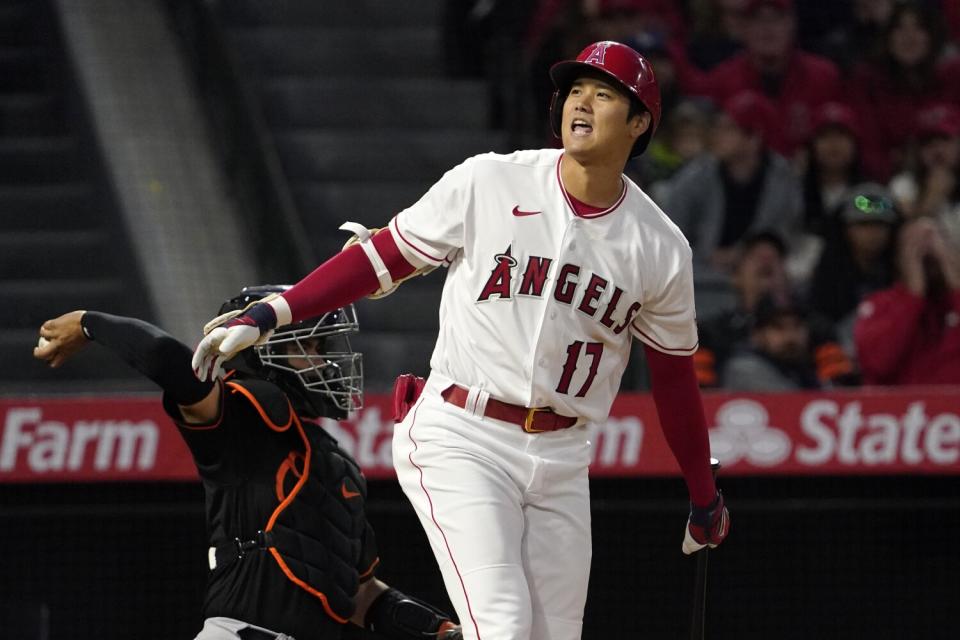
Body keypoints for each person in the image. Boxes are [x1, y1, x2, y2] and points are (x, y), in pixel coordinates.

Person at [192, 41, 730, 640]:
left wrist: (703, 497)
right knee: (501, 625)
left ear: (639, 123)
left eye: (604, 94)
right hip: (463, 431)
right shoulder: (490, 180)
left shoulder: (660, 246)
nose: (582, 102)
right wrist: (271, 313)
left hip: (564, 455)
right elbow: (381, 258)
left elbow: (675, 378)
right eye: (575, 89)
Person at [33, 286, 462, 640]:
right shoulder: (242, 412)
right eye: (307, 346)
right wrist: (92, 323)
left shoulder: (333, 461)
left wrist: (438, 629)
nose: (323, 361)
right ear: (259, 350)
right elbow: (175, 366)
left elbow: (359, 592)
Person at [663, 89, 802, 276]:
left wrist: (745, 255)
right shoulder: (696, 176)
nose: (717, 136)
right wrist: (705, 255)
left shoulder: (783, 180)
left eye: (728, 129)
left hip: (760, 275)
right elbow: (668, 235)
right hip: (696, 273)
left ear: (754, 138)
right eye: (717, 127)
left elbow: (787, 236)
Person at [854, 217, 960, 385]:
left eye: (940, 240)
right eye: (913, 244)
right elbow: (877, 364)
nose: (927, 250)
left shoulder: (954, 303)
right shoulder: (879, 304)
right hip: (899, 409)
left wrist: (955, 279)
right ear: (898, 257)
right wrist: (913, 295)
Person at [808, 183, 898, 352]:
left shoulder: (900, 271)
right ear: (846, 228)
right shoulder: (828, 272)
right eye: (864, 224)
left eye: (880, 224)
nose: (873, 233)